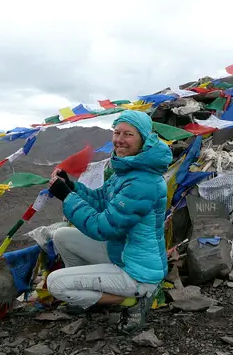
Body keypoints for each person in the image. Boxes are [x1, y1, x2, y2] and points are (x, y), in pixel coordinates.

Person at [46, 110, 173, 334]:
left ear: (143, 138)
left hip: (138, 273)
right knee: (62, 236)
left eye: (128, 134)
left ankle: (133, 301)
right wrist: (72, 187)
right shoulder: (127, 171)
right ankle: (88, 294)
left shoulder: (143, 182)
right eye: (116, 132)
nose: (119, 140)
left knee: (55, 284)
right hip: (122, 252)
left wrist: (67, 197)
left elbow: (102, 227)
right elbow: (100, 200)